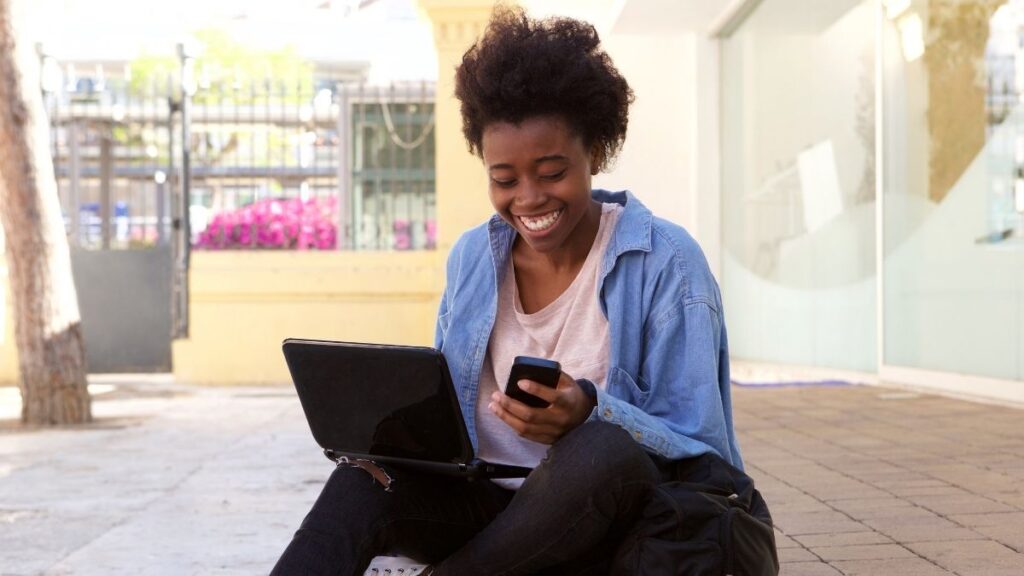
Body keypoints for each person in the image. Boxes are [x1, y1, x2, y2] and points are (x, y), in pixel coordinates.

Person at [272, 6, 742, 575]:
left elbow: (701, 448)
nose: (529, 198)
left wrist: (588, 412)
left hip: (615, 525)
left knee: (601, 449)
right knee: (361, 483)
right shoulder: (474, 258)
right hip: (488, 513)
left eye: (551, 172)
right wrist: (395, 442)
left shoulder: (667, 261)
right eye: (504, 179)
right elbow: (447, 419)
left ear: (594, 151)